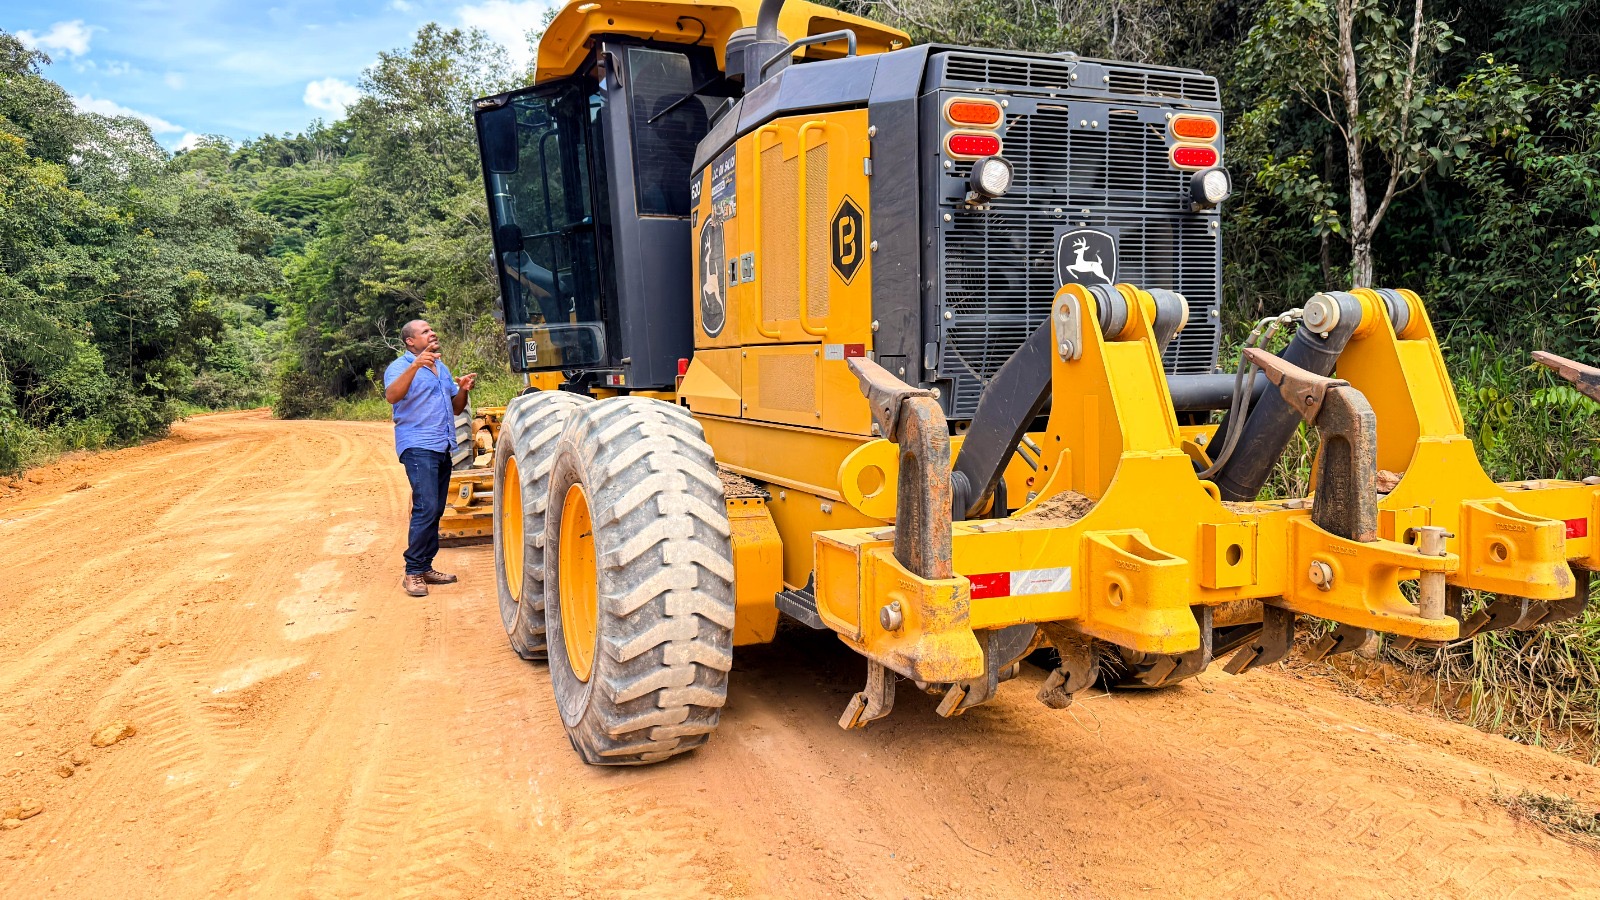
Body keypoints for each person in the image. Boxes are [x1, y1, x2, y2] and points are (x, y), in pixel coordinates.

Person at [384, 320, 478, 597]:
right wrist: (415, 366)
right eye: (424, 331)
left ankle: (425, 566)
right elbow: (392, 396)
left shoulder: (442, 368)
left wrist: (463, 389)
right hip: (417, 445)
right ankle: (413, 572)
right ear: (410, 342)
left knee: (436, 509)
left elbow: (457, 408)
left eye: (431, 330)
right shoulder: (399, 367)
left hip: (442, 445)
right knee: (425, 507)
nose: (432, 333)